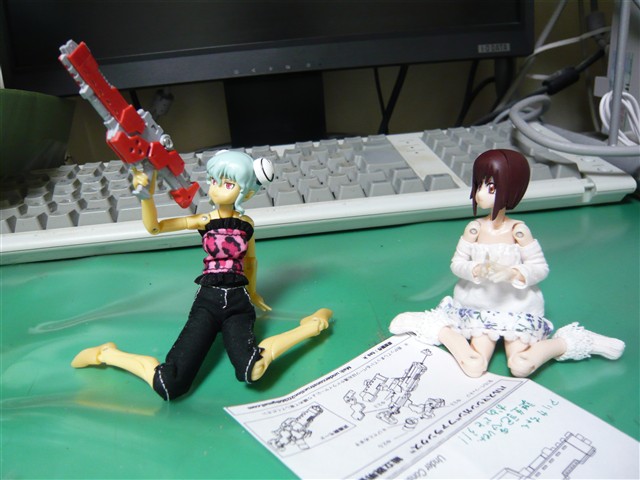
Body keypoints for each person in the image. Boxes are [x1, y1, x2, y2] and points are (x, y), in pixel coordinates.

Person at [71, 150, 331, 400]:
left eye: (228, 184)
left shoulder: (246, 225)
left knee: (253, 368)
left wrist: (252, 292)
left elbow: (250, 261)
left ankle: (311, 326)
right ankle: (107, 354)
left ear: (248, 191)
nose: (216, 189)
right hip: (208, 300)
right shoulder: (204, 220)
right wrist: (146, 197)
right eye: (214, 181)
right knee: (170, 383)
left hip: (238, 302)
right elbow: (155, 228)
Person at [390, 149, 624, 377]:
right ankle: (439, 329)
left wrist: (513, 273)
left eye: (490, 187)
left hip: (516, 306)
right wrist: (475, 269)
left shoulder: (518, 231)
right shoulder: (474, 229)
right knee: (474, 364)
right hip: (478, 304)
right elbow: (457, 264)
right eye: (479, 185)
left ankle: (568, 343)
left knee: (521, 366)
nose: (480, 194)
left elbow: (540, 268)